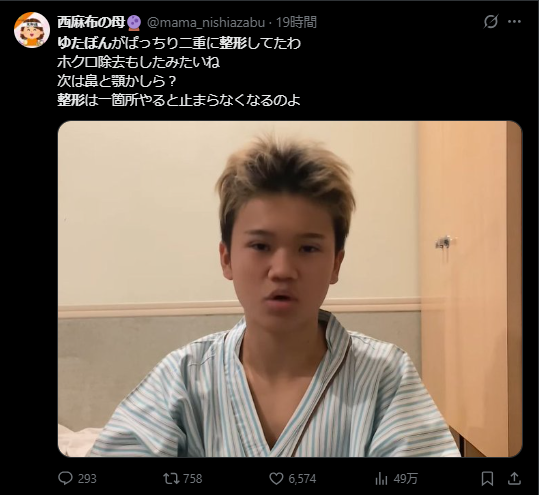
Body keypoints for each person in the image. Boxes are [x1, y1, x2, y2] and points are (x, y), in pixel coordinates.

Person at [87, 134, 461, 457]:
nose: (282, 269)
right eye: (261, 246)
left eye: (308, 248)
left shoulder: (385, 377)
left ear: (336, 264)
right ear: (226, 259)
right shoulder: (182, 378)